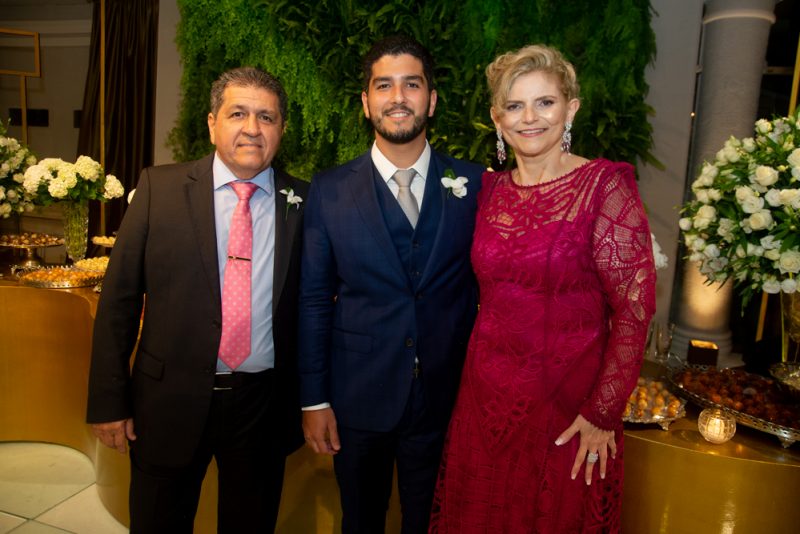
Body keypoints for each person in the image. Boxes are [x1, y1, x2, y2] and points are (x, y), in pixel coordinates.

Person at [428, 45, 656, 533]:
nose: (529, 118)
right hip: (482, 404)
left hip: (567, 412)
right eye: (514, 106)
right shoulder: (489, 192)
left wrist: (602, 411)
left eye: (545, 103)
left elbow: (634, 311)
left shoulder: (604, 187)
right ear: (497, 118)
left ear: (570, 108)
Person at [86, 66, 308, 533]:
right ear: (212, 123)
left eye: (266, 117)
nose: (252, 128)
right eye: (238, 113)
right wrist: (109, 401)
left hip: (262, 408)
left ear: (281, 129)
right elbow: (119, 301)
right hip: (167, 401)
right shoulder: (158, 190)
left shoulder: (305, 202)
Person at [298, 35, 484, 534]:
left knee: (434, 521)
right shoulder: (329, 190)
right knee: (360, 520)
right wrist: (314, 400)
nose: (398, 97)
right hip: (358, 397)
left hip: (448, 399)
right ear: (366, 102)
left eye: (412, 84)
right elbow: (314, 300)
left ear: (432, 99)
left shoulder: (476, 185)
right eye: (384, 85)